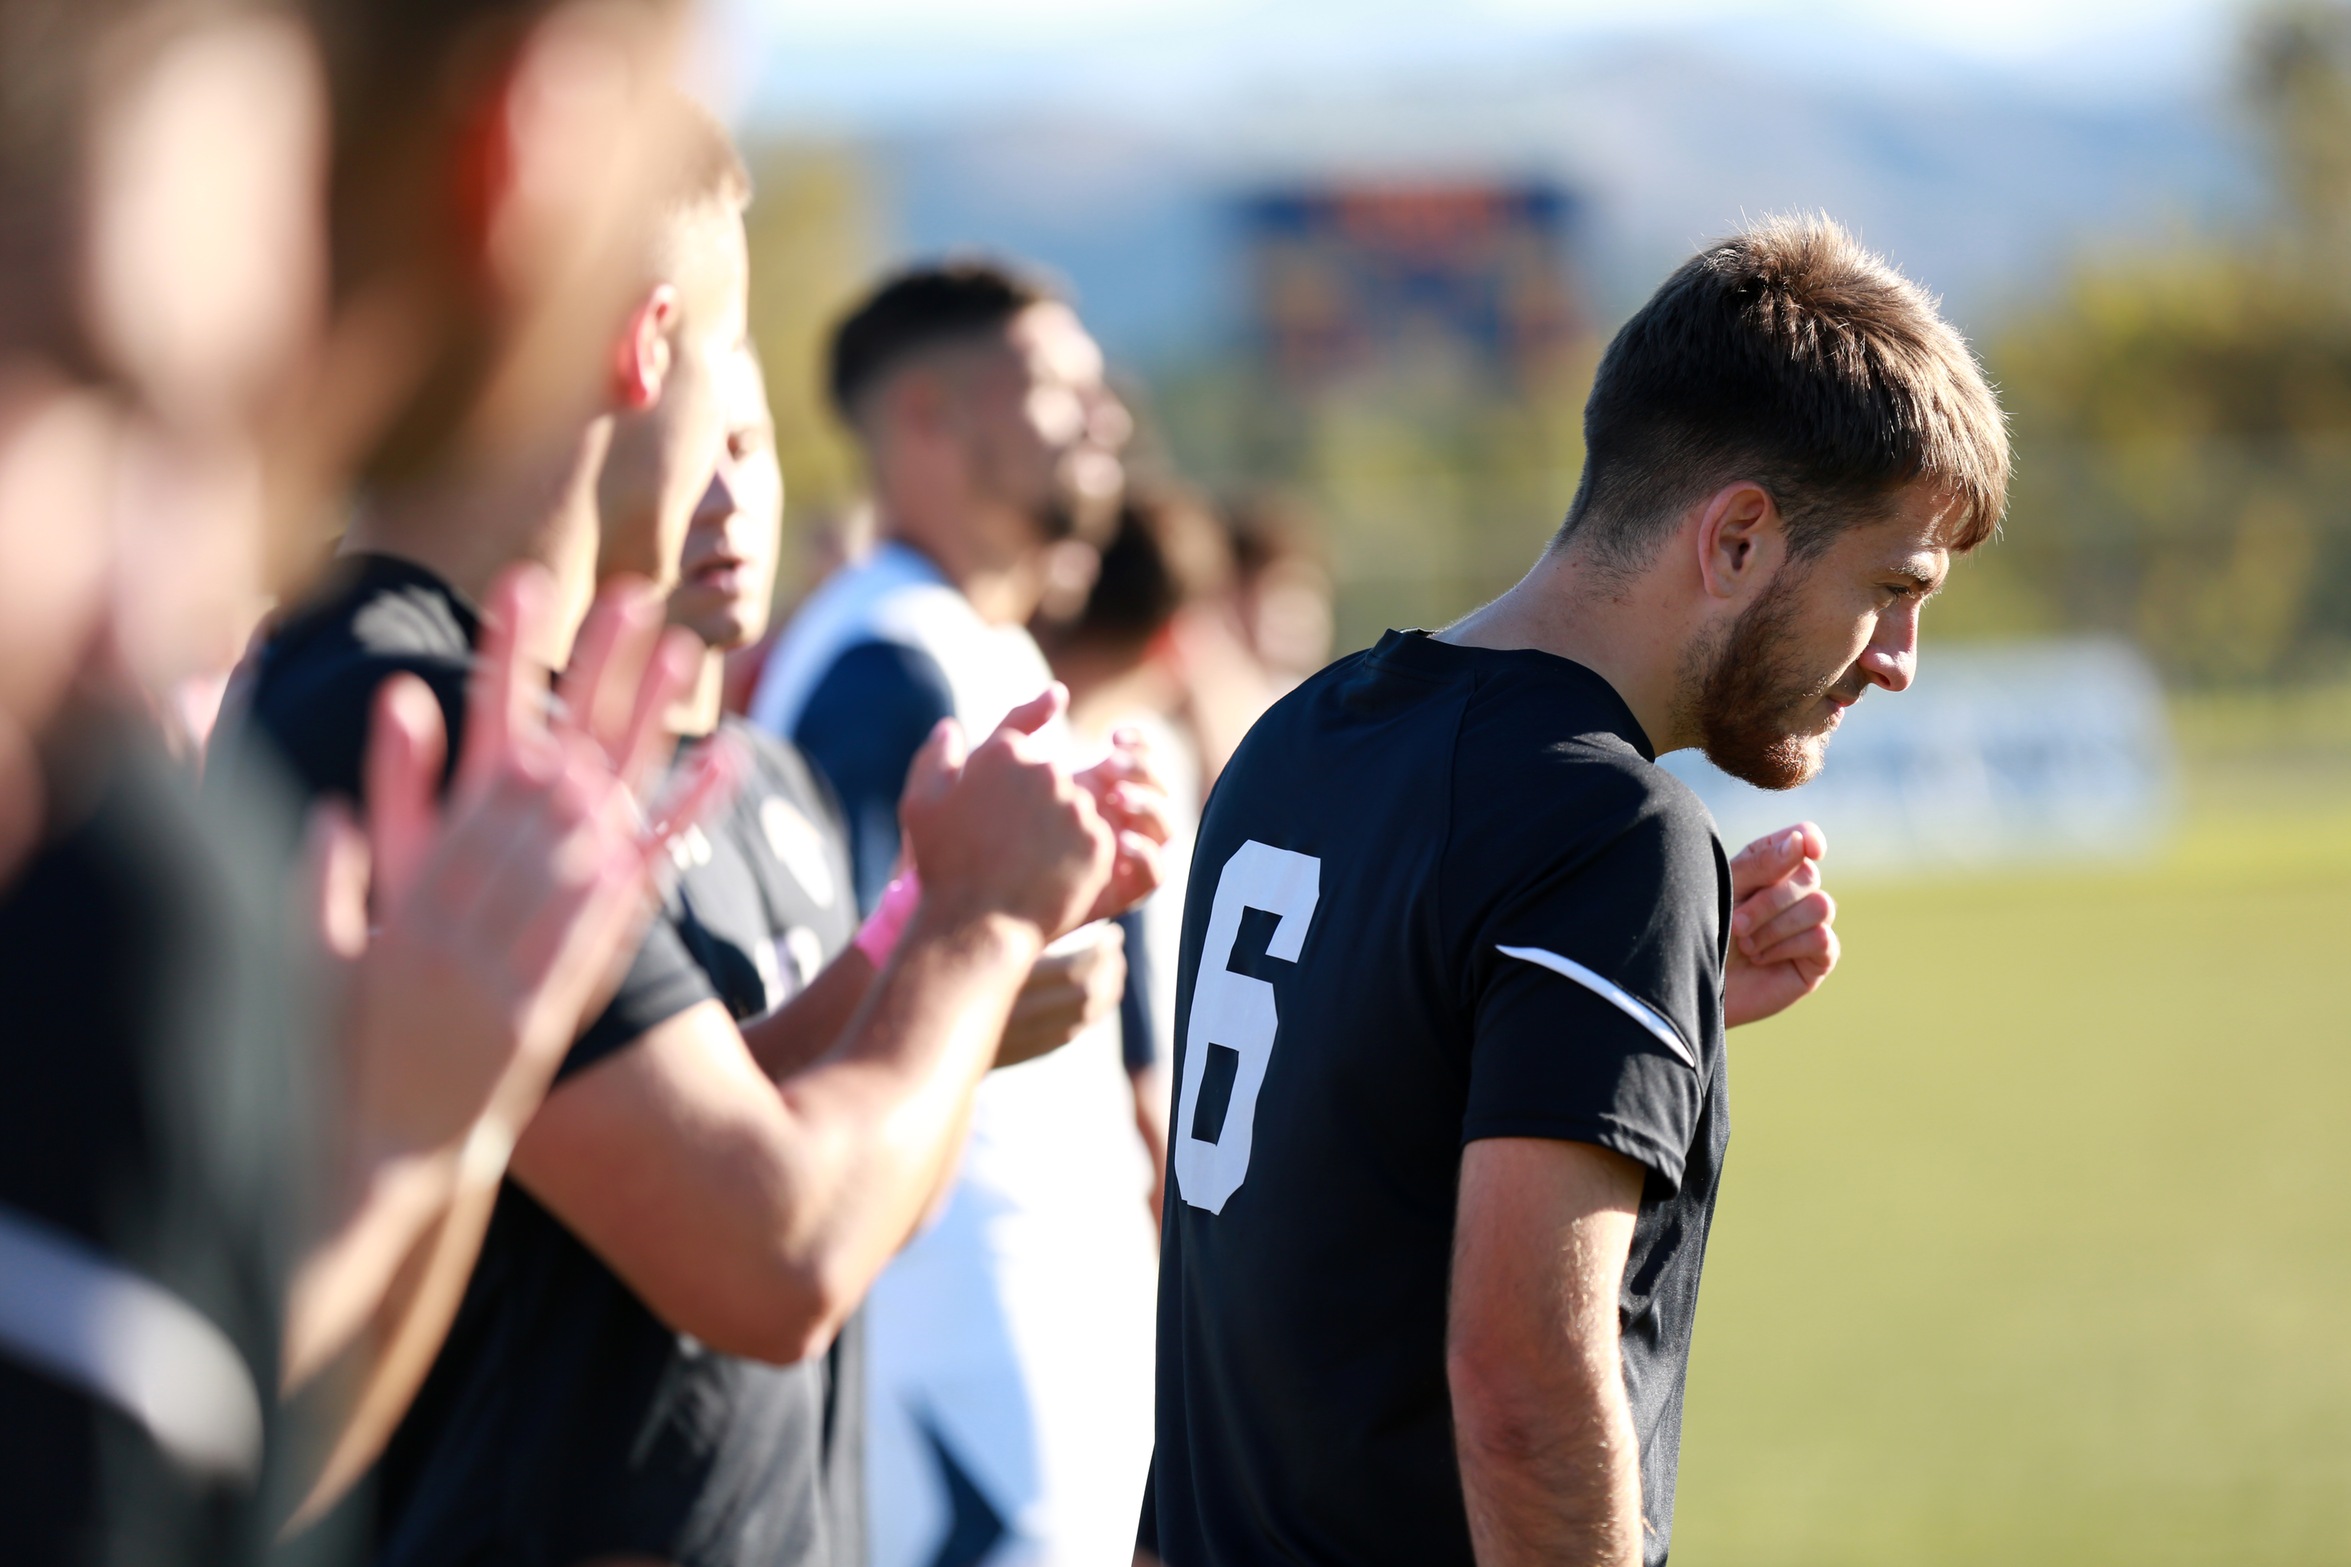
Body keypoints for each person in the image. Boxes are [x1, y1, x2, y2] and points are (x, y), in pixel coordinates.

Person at [1142, 215, 2009, 1567]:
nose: (1896, 655)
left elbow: (1273, 1266)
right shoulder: (1609, 830)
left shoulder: (1298, 738)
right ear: (1733, 539)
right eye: (1889, 586)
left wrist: (1627, 1033)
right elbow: (1518, 1386)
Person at [0, 0, 726, 1559]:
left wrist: (431, 1126)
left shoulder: (122, 855)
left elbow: (190, 1473)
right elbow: (771, 1250)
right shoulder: (127, 868)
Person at [751, 262, 1162, 1567]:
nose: (1101, 420)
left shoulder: (982, 649)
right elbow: (824, 1011)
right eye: (1056, 388)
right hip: (940, 1337)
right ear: (924, 417)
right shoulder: (884, 666)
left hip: (1032, 1314)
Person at [1036, 487, 1238, 1225]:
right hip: (1100, 1192)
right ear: (1174, 637)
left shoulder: (1004, 734)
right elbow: (1139, 1038)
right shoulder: (1127, 773)